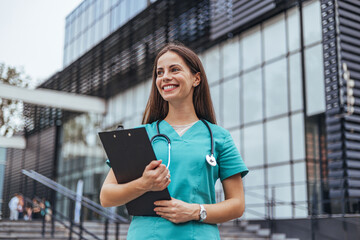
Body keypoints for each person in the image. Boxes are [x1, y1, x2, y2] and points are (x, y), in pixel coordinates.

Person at [100, 43, 248, 239]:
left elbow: (237, 204)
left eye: (174, 69)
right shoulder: (139, 135)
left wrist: (195, 211)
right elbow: (106, 196)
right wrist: (144, 184)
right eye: (159, 73)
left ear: (196, 78)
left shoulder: (219, 137)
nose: (165, 77)